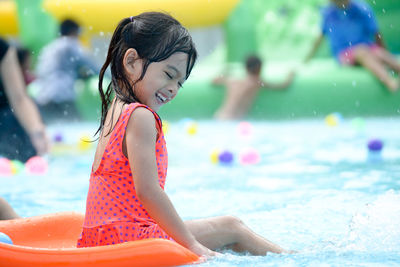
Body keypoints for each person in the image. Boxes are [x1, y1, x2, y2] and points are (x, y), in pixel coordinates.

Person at [77, 12, 290, 258]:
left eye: (180, 83)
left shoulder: (116, 108)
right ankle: (297, 259)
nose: (172, 89)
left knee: (228, 226)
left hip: (99, 236)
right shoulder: (140, 116)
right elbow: (148, 191)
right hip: (128, 239)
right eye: (169, 75)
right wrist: (191, 244)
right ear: (132, 61)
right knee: (233, 227)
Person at [304, 0, 400, 92]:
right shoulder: (328, 13)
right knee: (362, 52)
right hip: (344, 54)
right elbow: (320, 37)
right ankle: (389, 82)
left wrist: (385, 52)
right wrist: (307, 59)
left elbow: (376, 34)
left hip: (368, 48)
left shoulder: (361, 9)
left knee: (379, 53)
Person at [33, 19, 100, 121]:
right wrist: (112, 77)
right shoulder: (70, 44)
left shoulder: (49, 47)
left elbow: (48, 71)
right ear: (74, 32)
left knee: (53, 130)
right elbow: (92, 65)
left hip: (43, 97)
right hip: (61, 96)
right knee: (77, 128)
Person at [0, 37, 49, 162]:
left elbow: (19, 97)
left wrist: (37, 132)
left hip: (6, 118)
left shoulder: (3, 49)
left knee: (29, 153)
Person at [213, 55, 295, 120]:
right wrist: (290, 76)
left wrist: (225, 70)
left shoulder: (232, 80)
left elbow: (214, 81)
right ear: (259, 68)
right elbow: (282, 86)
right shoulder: (256, 82)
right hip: (233, 120)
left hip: (219, 117)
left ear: (245, 68)